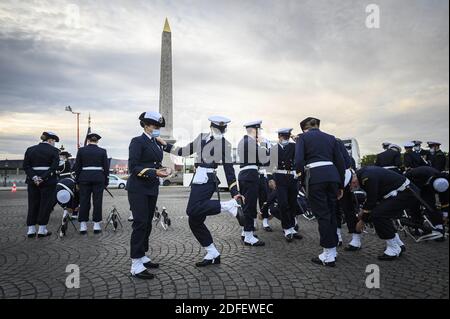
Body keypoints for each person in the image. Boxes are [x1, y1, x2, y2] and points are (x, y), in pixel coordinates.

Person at [158, 116, 245, 267]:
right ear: (212, 127)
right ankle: (212, 252)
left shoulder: (226, 144)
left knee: (192, 209)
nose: (221, 132)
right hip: (198, 177)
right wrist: (166, 146)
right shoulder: (201, 137)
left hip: (209, 179)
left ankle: (229, 205)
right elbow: (185, 151)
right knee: (194, 221)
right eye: (219, 129)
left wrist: (234, 193)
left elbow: (229, 170)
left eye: (223, 129)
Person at [126, 111, 171, 280]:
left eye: (159, 127)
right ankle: (135, 264)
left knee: (148, 224)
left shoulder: (155, 143)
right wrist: (155, 172)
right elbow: (134, 167)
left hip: (151, 187)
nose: (157, 129)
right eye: (155, 126)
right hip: (138, 188)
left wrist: (164, 170)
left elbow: (155, 163)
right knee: (140, 223)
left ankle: (143, 255)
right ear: (146, 125)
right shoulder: (137, 141)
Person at [295, 117, 345, 267]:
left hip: (315, 178)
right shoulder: (331, 138)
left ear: (304, 128)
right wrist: (340, 184)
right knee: (331, 213)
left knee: (323, 215)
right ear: (318, 126)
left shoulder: (302, 138)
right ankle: (333, 249)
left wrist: (302, 180)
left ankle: (328, 254)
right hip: (333, 177)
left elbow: (299, 161)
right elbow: (340, 161)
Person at [350, 166, 419, 261]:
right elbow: (372, 196)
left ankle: (393, 248)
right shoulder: (362, 174)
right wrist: (363, 211)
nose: (353, 187)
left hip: (405, 192)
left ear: (353, 180)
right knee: (382, 214)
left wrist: (362, 221)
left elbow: (372, 200)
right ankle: (398, 244)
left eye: (352, 185)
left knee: (378, 215)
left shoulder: (367, 177)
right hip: (401, 192)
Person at [237, 120, 270, 246]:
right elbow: (264, 160)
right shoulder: (251, 142)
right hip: (250, 175)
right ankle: (249, 236)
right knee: (250, 206)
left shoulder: (243, 141)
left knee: (247, 205)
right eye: (259, 130)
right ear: (254, 130)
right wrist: (262, 144)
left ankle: (245, 232)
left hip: (246, 175)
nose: (260, 133)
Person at [23, 131, 60, 238]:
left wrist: (34, 177)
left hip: (32, 180)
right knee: (45, 204)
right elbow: (54, 167)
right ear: (50, 140)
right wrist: (43, 178)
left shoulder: (30, 150)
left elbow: (26, 166)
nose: (54, 143)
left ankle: (31, 229)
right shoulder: (54, 151)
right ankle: (42, 229)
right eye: (54, 141)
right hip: (48, 181)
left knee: (33, 203)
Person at [270, 128, 303, 243]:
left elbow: (301, 156)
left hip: (292, 178)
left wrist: (297, 140)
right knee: (283, 203)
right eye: (284, 137)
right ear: (279, 137)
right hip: (280, 178)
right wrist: (271, 179)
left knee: (293, 203)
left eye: (288, 137)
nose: (286, 139)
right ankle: (287, 228)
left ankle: (292, 227)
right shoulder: (273, 148)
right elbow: (270, 165)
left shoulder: (294, 146)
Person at [73, 132, 109, 235]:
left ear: (88, 140)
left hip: (84, 178)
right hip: (98, 178)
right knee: (97, 202)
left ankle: (83, 225)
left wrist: (77, 181)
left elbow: (77, 167)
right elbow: (106, 167)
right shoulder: (102, 151)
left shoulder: (81, 150)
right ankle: (96, 225)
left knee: (84, 201)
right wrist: (106, 181)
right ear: (97, 141)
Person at [405, 166, 448, 240]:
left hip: (427, 187)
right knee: (414, 205)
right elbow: (405, 178)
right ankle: (417, 226)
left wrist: (445, 214)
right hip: (413, 183)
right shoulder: (418, 173)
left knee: (430, 206)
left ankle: (438, 227)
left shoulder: (443, 183)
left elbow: (445, 200)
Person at [335, 138, 361, 251]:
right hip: (335, 186)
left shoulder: (348, 160)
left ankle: (356, 238)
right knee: (334, 212)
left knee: (349, 211)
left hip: (345, 187)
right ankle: (337, 236)